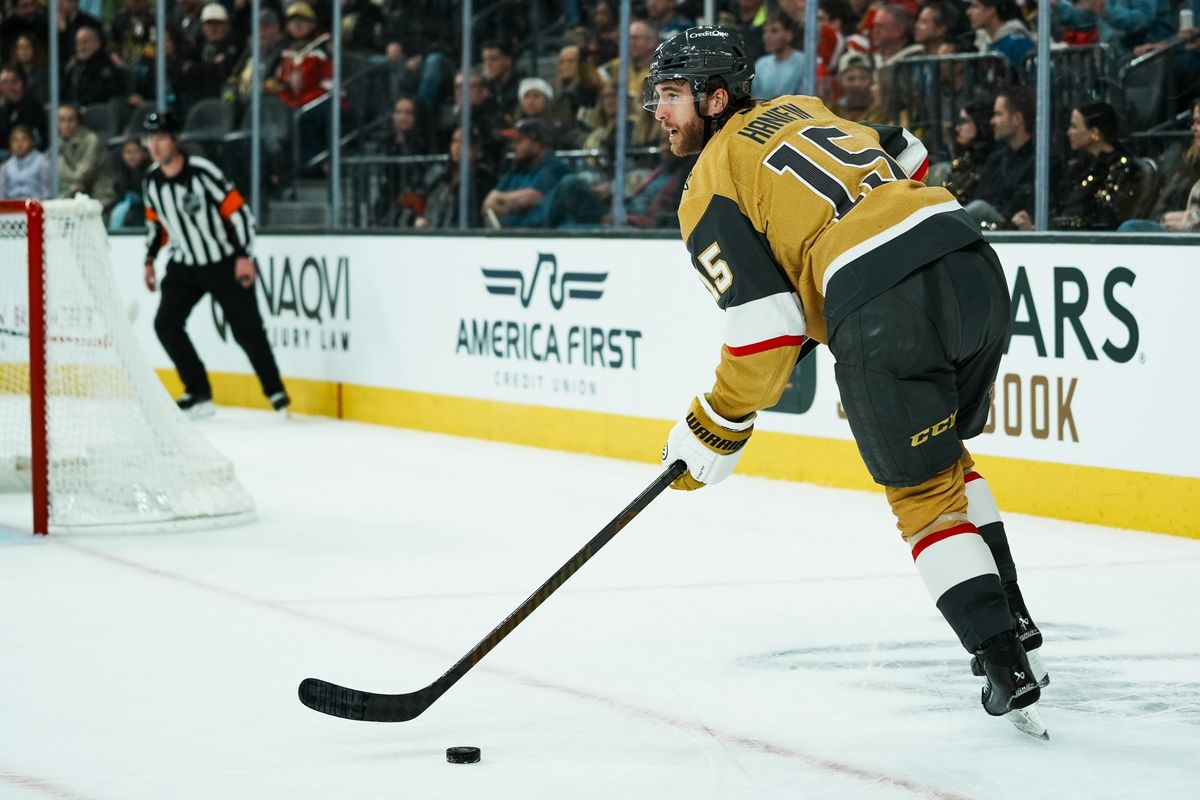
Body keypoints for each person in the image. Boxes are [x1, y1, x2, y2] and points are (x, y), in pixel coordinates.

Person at [645, 26, 1047, 733]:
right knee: (945, 458)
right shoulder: (802, 108)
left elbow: (765, 332)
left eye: (673, 95)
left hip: (884, 301)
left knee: (923, 496)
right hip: (966, 255)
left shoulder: (706, 185)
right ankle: (1011, 617)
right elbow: (910, 154)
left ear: (715, 99)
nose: (660, 112)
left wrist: (716, 423)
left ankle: (1003, 661)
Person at [140, 110, 290, 418]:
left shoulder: (202, 172)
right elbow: (156, 226)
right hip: (185, 265)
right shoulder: (151, 182)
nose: (154, 146)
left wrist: (244, 255)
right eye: (150, 139)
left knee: (247, 330)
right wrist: (150, 259)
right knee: (166, 324)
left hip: (223, 261)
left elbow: (239, 212)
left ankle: (276, 393)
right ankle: (198, 392)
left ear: (176, 140)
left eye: (161, 138)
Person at [1013, 101, 1140, 231]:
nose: (1069, 132)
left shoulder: (1120, 168)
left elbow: (1102, 220)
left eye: (1074, 126)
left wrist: (1040, 228)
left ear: (1094, 132)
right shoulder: (1081, 167)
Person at [1119, 97, 1200, 232]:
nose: (1193, 128)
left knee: (1131, 228)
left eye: (1199, 122)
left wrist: (1187, 225)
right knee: (1132, 227)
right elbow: (1167, 207)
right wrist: (1166, 218)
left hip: (1190, 235)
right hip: (1181, 229)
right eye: (1194, 122)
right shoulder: (1187, 161)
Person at [481, 116, 570, 228]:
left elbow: (531, 197)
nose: (513, 146)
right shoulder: (517, 168)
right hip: (509, 234)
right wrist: (506, 202)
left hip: (538, 235)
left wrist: (500, 200)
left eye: (519, 141)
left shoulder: (553, 167)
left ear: (537, 144)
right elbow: (489, 203)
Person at [57, 103, 115, 208]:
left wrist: (69, 182)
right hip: (72, 194)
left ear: (78, 122)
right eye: (62, 120)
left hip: (99, 195)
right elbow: (54, 176)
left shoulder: (91, 140)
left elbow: (81, 175)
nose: (66, 125)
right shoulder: (58, 142)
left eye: (71, 120)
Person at [0, 124, 49, 199]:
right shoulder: (5, 167)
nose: (19, 144)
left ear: (32, 142)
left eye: (24, 140)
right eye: (15, 140)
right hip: (12, 204)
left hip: (35, 203)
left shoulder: (42, 162)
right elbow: (2, 194)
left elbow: (47, 191)